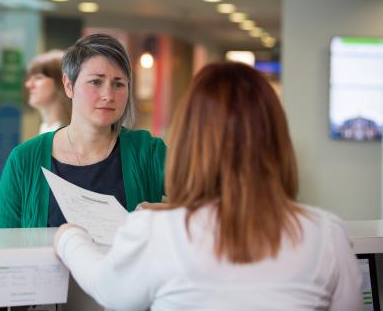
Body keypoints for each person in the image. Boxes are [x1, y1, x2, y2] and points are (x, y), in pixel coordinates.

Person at [54, 62, 363, 311]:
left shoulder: (158, 230)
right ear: (277, 138)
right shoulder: (327, 234)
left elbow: (109, 291)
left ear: (190, 139)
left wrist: (70, 237)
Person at [0, 33, 166, 228]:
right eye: (96, 82)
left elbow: (205, 202)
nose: (108, 95)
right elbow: (4, 245)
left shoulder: (148, 152)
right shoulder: (24, 159)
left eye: (118, 84)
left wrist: (167, 211)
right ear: (69, 85)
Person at [25, 49, 71, 135]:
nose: (29, 84)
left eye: (38, 77)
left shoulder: (69, 134)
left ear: (62, 82)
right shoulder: (45, 129)